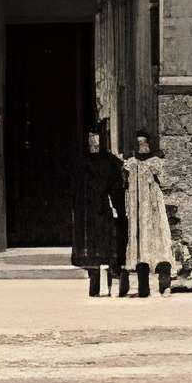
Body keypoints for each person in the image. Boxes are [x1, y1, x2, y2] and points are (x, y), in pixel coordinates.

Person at [71, 127, 128, 297]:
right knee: (91, 252)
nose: (94, 144)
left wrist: (116, 207)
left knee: (109, 248)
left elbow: (116, 188)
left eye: (96, 140)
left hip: (105, 210)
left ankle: (111, 286)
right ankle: (94, 287)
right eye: (91, 140)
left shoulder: (110, 163)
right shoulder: (81, 162)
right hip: (88, 212)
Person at [123, 134, 175, 298]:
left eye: (144, 142)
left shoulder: (156, 163)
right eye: (138, 142)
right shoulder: (130, 164)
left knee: (160, 245)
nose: (142, 145)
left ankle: (164, 285)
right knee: (140, 249)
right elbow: (124, 184)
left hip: (153, 210)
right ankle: (143, 288)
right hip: (137, 211)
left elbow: (167, 183)